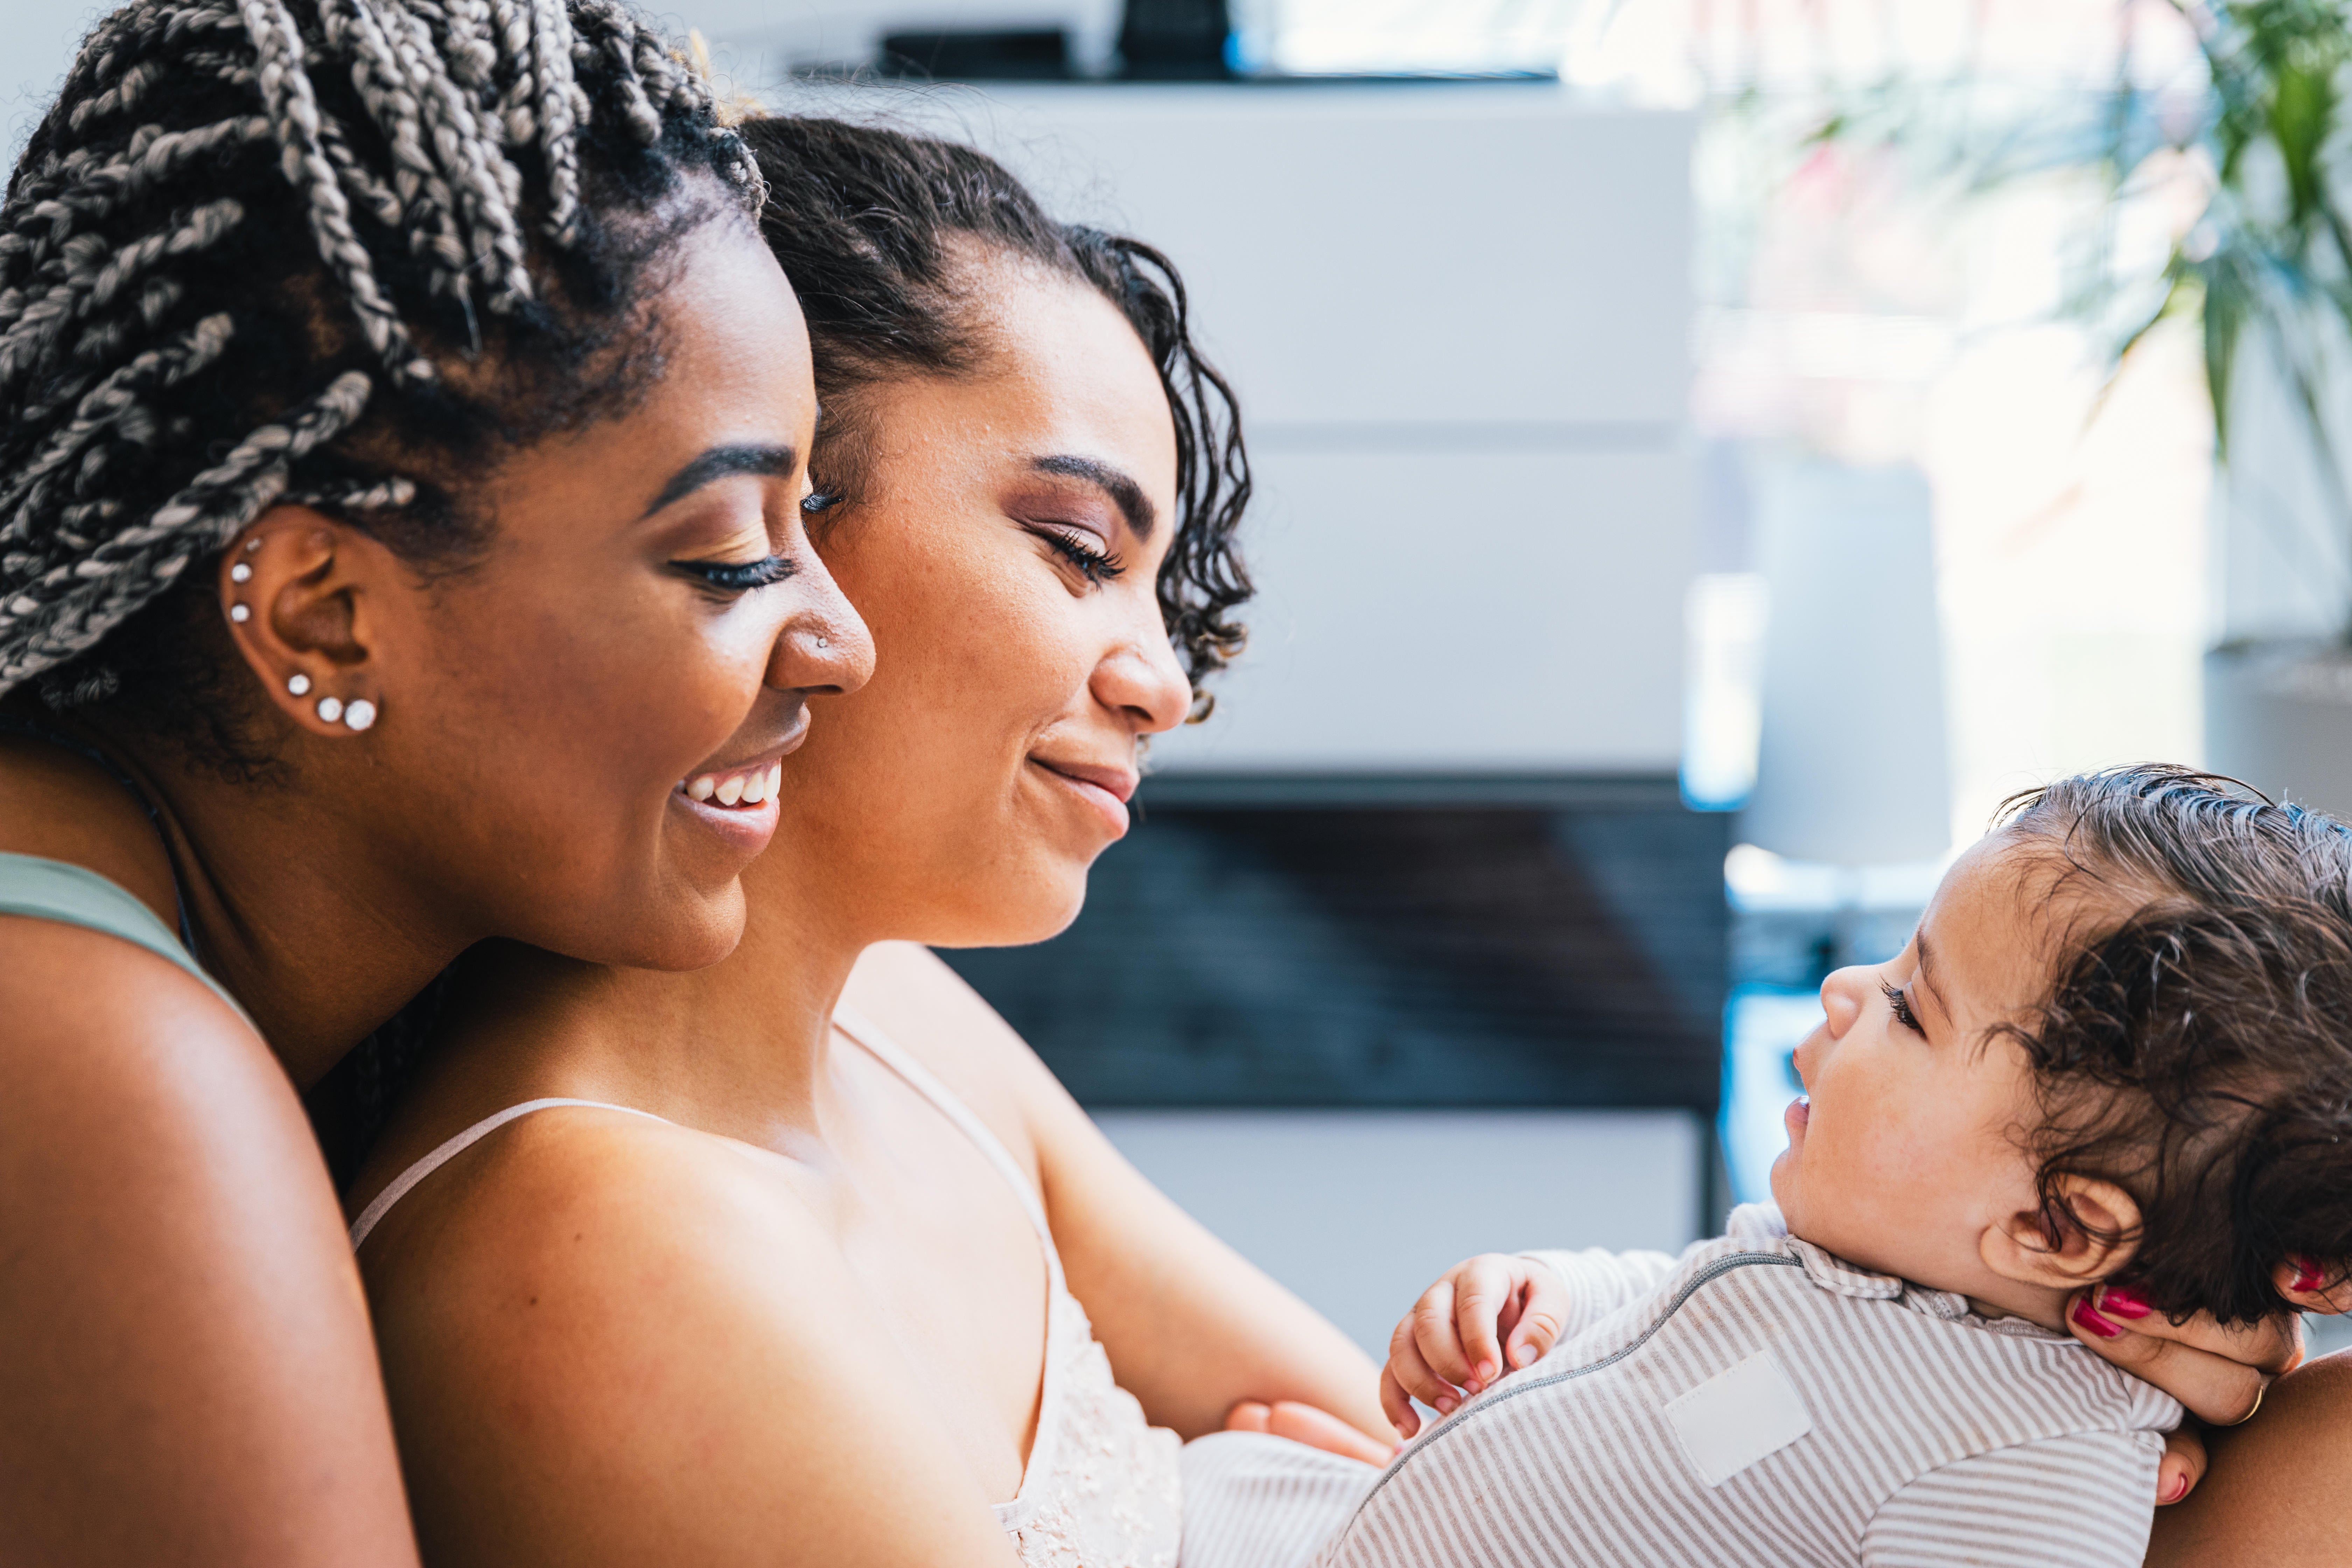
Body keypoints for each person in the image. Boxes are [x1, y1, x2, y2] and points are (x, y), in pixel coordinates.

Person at [348, 121, 2337, 1567]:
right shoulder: (604, 1242)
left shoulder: (894, 1034)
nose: (1161, 683)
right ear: (761, 500)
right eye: (1069, 549)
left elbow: (1459, 1475)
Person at [0, 5, 870, 1564]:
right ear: (323, 611)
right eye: (731, 555)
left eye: (815, 518)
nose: (840, 641)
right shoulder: (108, 1065)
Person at [1185, 767, 2352, 1568]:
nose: (1850, 991)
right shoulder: (1852, 1267)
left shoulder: (2029, 1464)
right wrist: (1549, 1295)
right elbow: (1685, 1313)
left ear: (2058, 1230)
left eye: (1911, 1005)